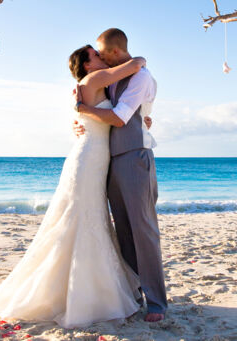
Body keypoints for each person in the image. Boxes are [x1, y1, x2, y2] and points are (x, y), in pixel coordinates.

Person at [0, 42, 149, 328]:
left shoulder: (87, 84)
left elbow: (84, 115)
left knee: (84, 218)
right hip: (89, 158)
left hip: (92, 156)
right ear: (87, 64)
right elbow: (135, 65)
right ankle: (81, 294)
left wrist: (82, 114)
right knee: (81, 218)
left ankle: (80, 290)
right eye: (96, 55)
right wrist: (138, 58)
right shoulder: (96, 78)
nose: (101, 57)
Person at [74, 28, 166, 322]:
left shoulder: (140, 76)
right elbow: (99, 112)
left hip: (134, 156)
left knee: (144, 230)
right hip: (109, 159)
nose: (100, 57)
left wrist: (85, 109)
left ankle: (157, 303)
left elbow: (119, 116)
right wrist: (80, 121)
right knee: (123, 230)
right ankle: (133, 293)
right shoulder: (110, 76)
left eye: (102, 53)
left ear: (113, 52)